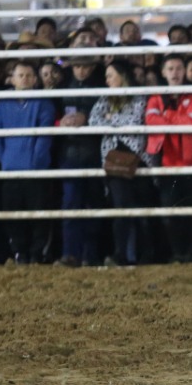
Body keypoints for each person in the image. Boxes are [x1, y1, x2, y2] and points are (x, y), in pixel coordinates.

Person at [89, 62, 157, 266]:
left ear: (122, 76)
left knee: (144, 209)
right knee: (121, 208)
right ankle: (121, 254)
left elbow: (136, 121)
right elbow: (93, 121)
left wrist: (110, 119)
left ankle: (148, 254)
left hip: (138, 159)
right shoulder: (104, 97)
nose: (107, 80)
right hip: (115, 159)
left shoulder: (139, 95)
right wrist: (119, 122)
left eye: (111, 75)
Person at [0, 61, 56, 264]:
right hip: (11, 168)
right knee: (13, 213)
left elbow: (44, 137)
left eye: (29, 75)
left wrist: (35, 161)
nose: (25, 79)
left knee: (38, 212)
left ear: (35, 79)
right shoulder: (2, 103)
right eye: (21, 75)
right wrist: (5, 160)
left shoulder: (44, 103)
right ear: (12, 79)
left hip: (35, 169)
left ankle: (37, 251)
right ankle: (19, 251)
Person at [145, 54, 192, 263]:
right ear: (163, 72)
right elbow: (151, 121)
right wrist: (176, 119)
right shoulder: (155, 96)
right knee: (171, 212)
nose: (175, 72)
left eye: (179, 68)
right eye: (170, 68)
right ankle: (179, 253)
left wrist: (167, 116)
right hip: (167, 164)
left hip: (191, 163)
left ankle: (191, 253)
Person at [54, 54, 106, 267]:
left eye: (85, 66)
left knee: (91, 204)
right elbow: (54, 113)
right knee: (73, 204)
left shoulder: (100, 87)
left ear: (92, 67)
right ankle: (72, 253)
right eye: (77, 66)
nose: (81, 71)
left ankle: (89, 254)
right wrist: (60, 122)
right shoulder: (64, 87)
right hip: (71, 153)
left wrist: (86, 117)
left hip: (92, 152)